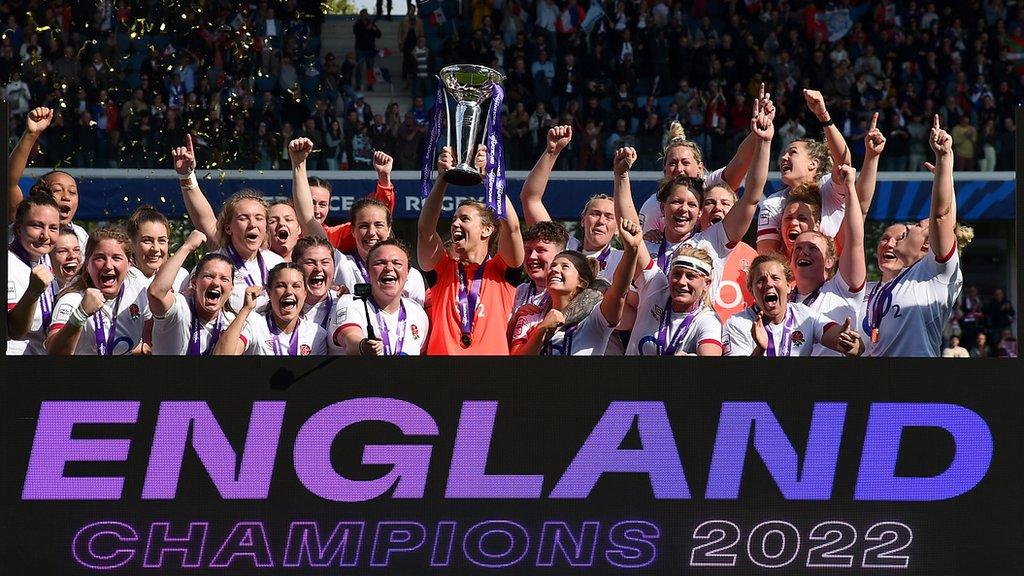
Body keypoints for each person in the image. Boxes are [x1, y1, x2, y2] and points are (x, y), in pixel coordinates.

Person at [613, 93, 774, 306]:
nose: (679, 169)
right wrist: (621, 175)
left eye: (692, 204)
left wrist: (761, 139)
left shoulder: (711, 236)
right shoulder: (652, 217)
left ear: (700, 211)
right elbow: (631, 232)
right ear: (663, 207)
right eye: (676, 203)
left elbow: (749, 189)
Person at [859, 116, 972, 357]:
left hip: (918, 386)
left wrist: (944, 161)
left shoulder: (934, 273)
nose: (904, 232)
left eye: (914, 228)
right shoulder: (880, 288)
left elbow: (943, 216)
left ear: (928, 244)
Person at [291, 139, 426, 306]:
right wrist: (299, 164)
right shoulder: (342, 265)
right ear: (352, 230)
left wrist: (384, 179)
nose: (371, 232)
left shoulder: (411, 277)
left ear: (389, 227)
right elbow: (307, 219)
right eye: (363, 226)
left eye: (379, 225)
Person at [417, 145, 525, 355]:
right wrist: (442, 179)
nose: (455, 224)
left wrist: (490, 181)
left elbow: (512, 228)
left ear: (487, 229)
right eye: (454, 219)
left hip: (489, 380)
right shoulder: (443, 270)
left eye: (464, 219)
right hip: (443, 378)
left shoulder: (502, 272)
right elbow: (425, 231)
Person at [637, 84, 776, 235]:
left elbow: (741, 161)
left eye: (685, 162)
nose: (679, 169)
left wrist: (757, 133)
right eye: (672, 163)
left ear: (700, 168)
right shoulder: (652, 206)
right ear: (664, 170)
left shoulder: (711, 186)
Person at [173, 134, 285, 311]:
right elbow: (205, 219)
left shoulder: (276, 264)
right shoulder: (210, 265)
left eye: (259, 218)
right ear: (228, 227)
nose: (252, 224)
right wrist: (187, 176)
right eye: (243, 218)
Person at [510, 218, 641, 355]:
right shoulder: (532, 317)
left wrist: (631, 250)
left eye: (564, 266)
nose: (554, 269)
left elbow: (618, 292)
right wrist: (542, 330)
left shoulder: (596, 318)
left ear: (581, 282)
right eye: (553, 265)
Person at [519, 126, 624, 279]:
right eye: (595, 214)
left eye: (609, 216)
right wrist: (552, 152)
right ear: (583, 220)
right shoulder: (564, 246)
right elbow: (530, 199)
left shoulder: (621, 259)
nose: (601, 221)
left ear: (617, 229)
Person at [755, 90, 852, 255]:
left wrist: (823, 116)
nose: (783, 157)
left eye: (792, 152)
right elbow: (767, 256)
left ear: (813, 163)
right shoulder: (772, 203)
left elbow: (844, 161)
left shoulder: (830, 189)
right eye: (784, 153)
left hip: (836, 277)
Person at [788, 164, 867, 356]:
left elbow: (854, 240)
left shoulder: (842, 288)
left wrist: (849, 188)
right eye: (798, 248)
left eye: (812, 248)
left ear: (830, 261)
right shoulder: (784, 300)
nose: (803, 252)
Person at [723, 254, 864, 356]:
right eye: (761, 280)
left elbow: (858, 347)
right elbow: (739, 379)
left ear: (789, 286)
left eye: (775, 278)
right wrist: (760, 349)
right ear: (751, 290)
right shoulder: (737, 323)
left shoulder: (805, 316)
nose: (769, 284)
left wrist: (849, 342)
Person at [47, 226, 151, 355]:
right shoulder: (72, 300)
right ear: (87, 263)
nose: (108, 266)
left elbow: (150, 337)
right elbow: (53, 352)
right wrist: (80, 315)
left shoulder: (138, 287)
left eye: (116, 258)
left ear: (129, 263)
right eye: (99, 258)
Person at [7, 107, 90, 248]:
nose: (66, 197)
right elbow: (8, 183)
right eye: (58, 190)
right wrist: (31, 134)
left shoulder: (81, 236)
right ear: (41, 194)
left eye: (72, 192)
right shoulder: (26, 222)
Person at [333, 239, 429, 355]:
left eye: (397, 263)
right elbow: (349, 339)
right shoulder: (352, 302)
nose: (389, 268)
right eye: (380, 263)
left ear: (408, 273)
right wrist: (362, 346)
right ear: (368, 271)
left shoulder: (417, 311)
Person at [148, 230, 235, 355]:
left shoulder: (231, 324)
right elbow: (156, 292)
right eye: (208, 276)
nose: (216, 283)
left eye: (224, 279)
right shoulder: (179, 308)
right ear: (194, 283)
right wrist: (187, 247)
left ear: (231, 288)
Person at [214, 263, 328, 356]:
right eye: (281, 285)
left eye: (296, 286)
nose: (289, 291)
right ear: (269, 293)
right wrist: (246, 309)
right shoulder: (255, 323)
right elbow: (221, 357)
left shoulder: (316, 334)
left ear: (305, 293)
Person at [7, 193, 61, 355]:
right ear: (18, 229)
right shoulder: (9, 264)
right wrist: (33, 292)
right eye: (37, 226)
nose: (45, 235)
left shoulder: (47, 259)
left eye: (53, 228)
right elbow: (15, 331)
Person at [291, 236, 349, 333]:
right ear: (295, 267)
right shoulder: (281, 305)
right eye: (310, 263)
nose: (318, 268)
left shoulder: (343, 305)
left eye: (325, 262)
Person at [513, 221, 570, 315]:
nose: (532, 256)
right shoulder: (518, 292)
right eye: (528, 251)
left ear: (560, 254)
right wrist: (515, 319)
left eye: (540, 250)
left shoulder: (569, 292)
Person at [125, 205, 189, 289]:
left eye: (161, 241)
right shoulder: (122, 278)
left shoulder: (181, 277)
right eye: (147, 241)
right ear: (132, 244)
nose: (155, 248)